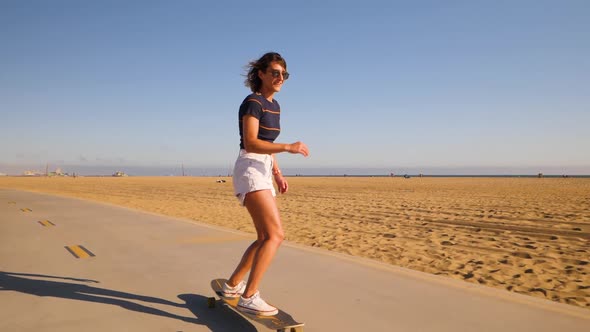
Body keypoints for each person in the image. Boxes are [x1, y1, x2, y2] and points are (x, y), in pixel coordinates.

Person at [223, 52, 309, 316]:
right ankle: (250, 296)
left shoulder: (275, 105)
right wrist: (288, 147)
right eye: (274, 72)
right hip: (250, 167)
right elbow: (251, 142)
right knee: (275, 235)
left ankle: (232, 286)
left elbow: (266, 144)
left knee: (264, 236)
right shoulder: (253, 102)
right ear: (260, 74)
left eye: (284, 74)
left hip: (263, 168)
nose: (280, 77)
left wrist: (278, 172)